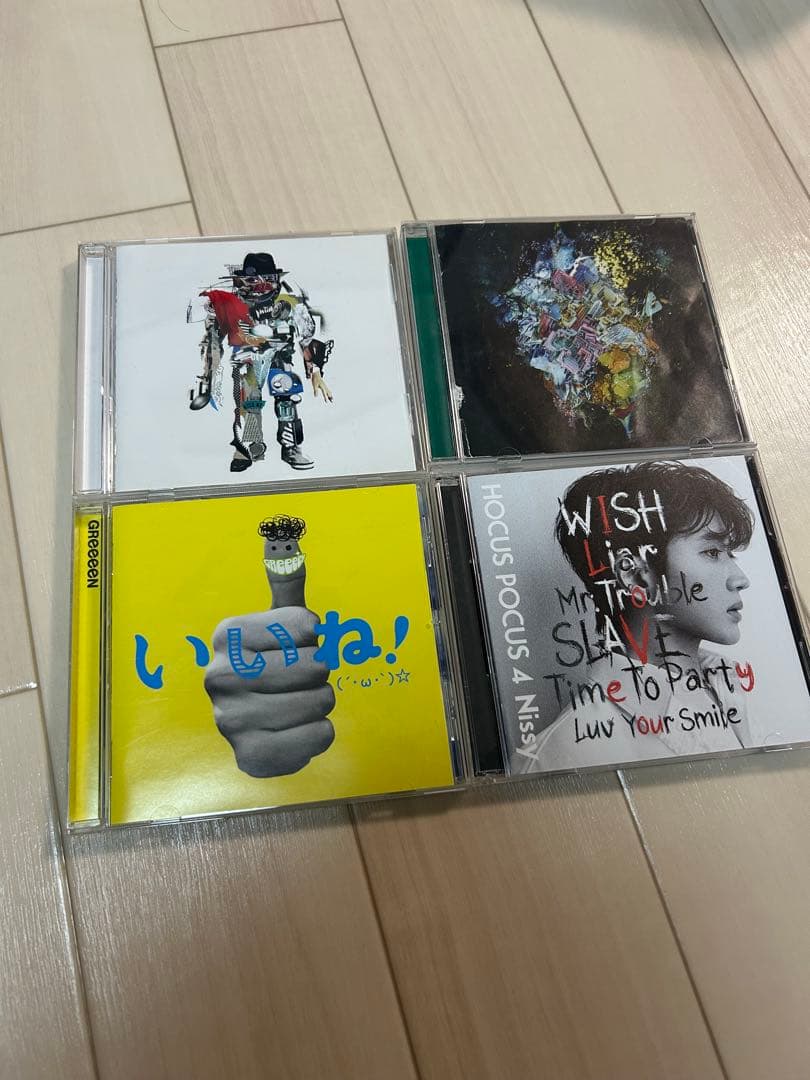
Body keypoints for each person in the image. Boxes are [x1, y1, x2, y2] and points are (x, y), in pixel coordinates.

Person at [524, 460, 755, 771]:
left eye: (730, 553)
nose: (740, 579)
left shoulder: (727, 685)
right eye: (712, 552)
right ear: (634, 575)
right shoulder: (570, 751)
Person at [187, 252, 333, 473]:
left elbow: (307, 337)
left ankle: (290, 447)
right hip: (246, 360)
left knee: (286, 400)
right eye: (254, 280)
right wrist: (207, 379)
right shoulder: (229, 304)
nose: (261, 286)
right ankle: (248, 449)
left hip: (280, 358)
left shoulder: (289, 303)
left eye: (267, 279)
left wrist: (315, 371)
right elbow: (212, 341)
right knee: (248, 403)